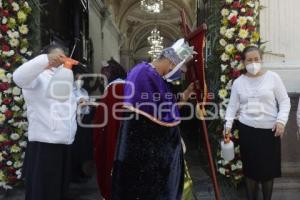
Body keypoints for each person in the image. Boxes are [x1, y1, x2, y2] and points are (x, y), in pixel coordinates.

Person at [111, 38, 195, 200]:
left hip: (154, 158)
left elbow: (166, 107)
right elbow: (154, 117)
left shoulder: (157, 76)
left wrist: (186, 94)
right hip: (145, 158)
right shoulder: (143, 74)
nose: (180, 74)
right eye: (181, 69)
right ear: (171, 63)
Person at [13, 44, 85, 200]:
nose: (61, 59)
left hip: (64, 142)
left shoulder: (63, 75)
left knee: (59, 190)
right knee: (43, 191)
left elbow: (66, 102)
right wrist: (45, 61)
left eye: (63, 56)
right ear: (47, 56)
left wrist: (79, 102)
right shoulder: (37, 77)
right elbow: (18, 77)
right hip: (44, 143)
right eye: (57, 56)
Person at [224, 46, 291, 200]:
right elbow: (232, 106)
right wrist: (227, 126)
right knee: (250, 171)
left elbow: (285, 101)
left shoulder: (273, 77)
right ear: (243, 62)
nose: (253, 63)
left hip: (270, 131)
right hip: (247, 131)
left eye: (256, 59)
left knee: (268, 172)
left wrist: (281, 121)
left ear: (261, 60)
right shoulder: (238, 82)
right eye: (249, 60)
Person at [93, 58, 127, 199]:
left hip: (114, 136)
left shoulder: (114, 88)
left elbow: (103, 118)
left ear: (110, 73)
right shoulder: (126, 86)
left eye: (104, 73)